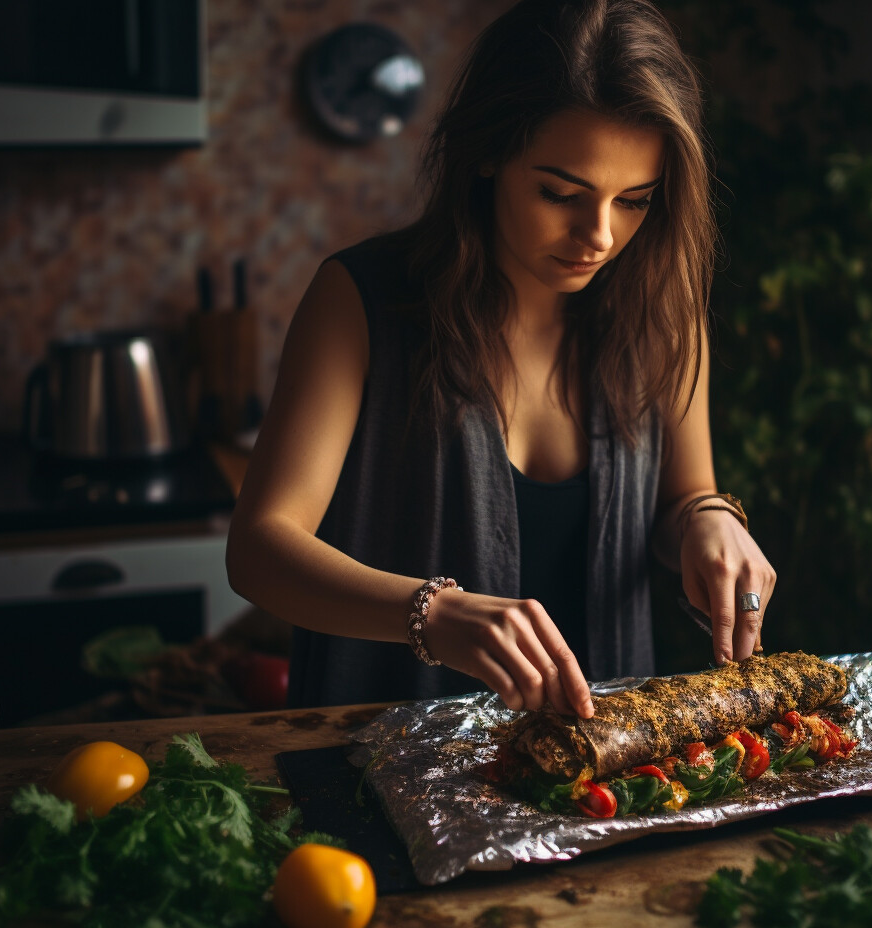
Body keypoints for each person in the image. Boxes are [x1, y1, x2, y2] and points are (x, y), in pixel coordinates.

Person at [225, 0, 776, 717]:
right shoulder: (362, 300)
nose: (600, 236)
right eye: (560, 193)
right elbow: (261, 550)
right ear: (487, 154)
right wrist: (431, 614)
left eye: (635, 201)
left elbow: (683, 498)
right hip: (382, 759)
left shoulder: (665, 312)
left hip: (599, 775)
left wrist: (710, 520)